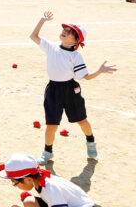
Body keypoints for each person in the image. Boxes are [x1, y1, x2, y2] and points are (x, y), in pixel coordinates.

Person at [29, 12, 116, 165]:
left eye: (70, 32)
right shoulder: (51, 47)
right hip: (53, 90)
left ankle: (90, 141)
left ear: (76, 40)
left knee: (82, 121)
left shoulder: (76, 56)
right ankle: (47, 151)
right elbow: (34, 36)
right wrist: (42, 20)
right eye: (65, 29)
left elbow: (86, 77)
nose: (65, 31)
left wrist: (99, 71)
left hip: (70, 90)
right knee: (51, 124)